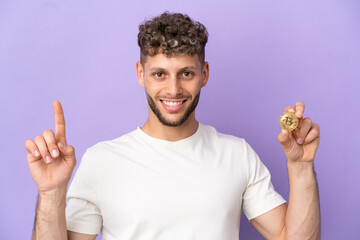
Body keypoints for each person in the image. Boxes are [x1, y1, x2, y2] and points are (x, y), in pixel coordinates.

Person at [25, 11, 321, 240]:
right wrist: (51, 194)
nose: (174, 89)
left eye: (186, 73)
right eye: (159, 75)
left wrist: (301, 167)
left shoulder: (237, 154)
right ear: (140, 73)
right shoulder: (102, 161)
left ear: (204, 74)